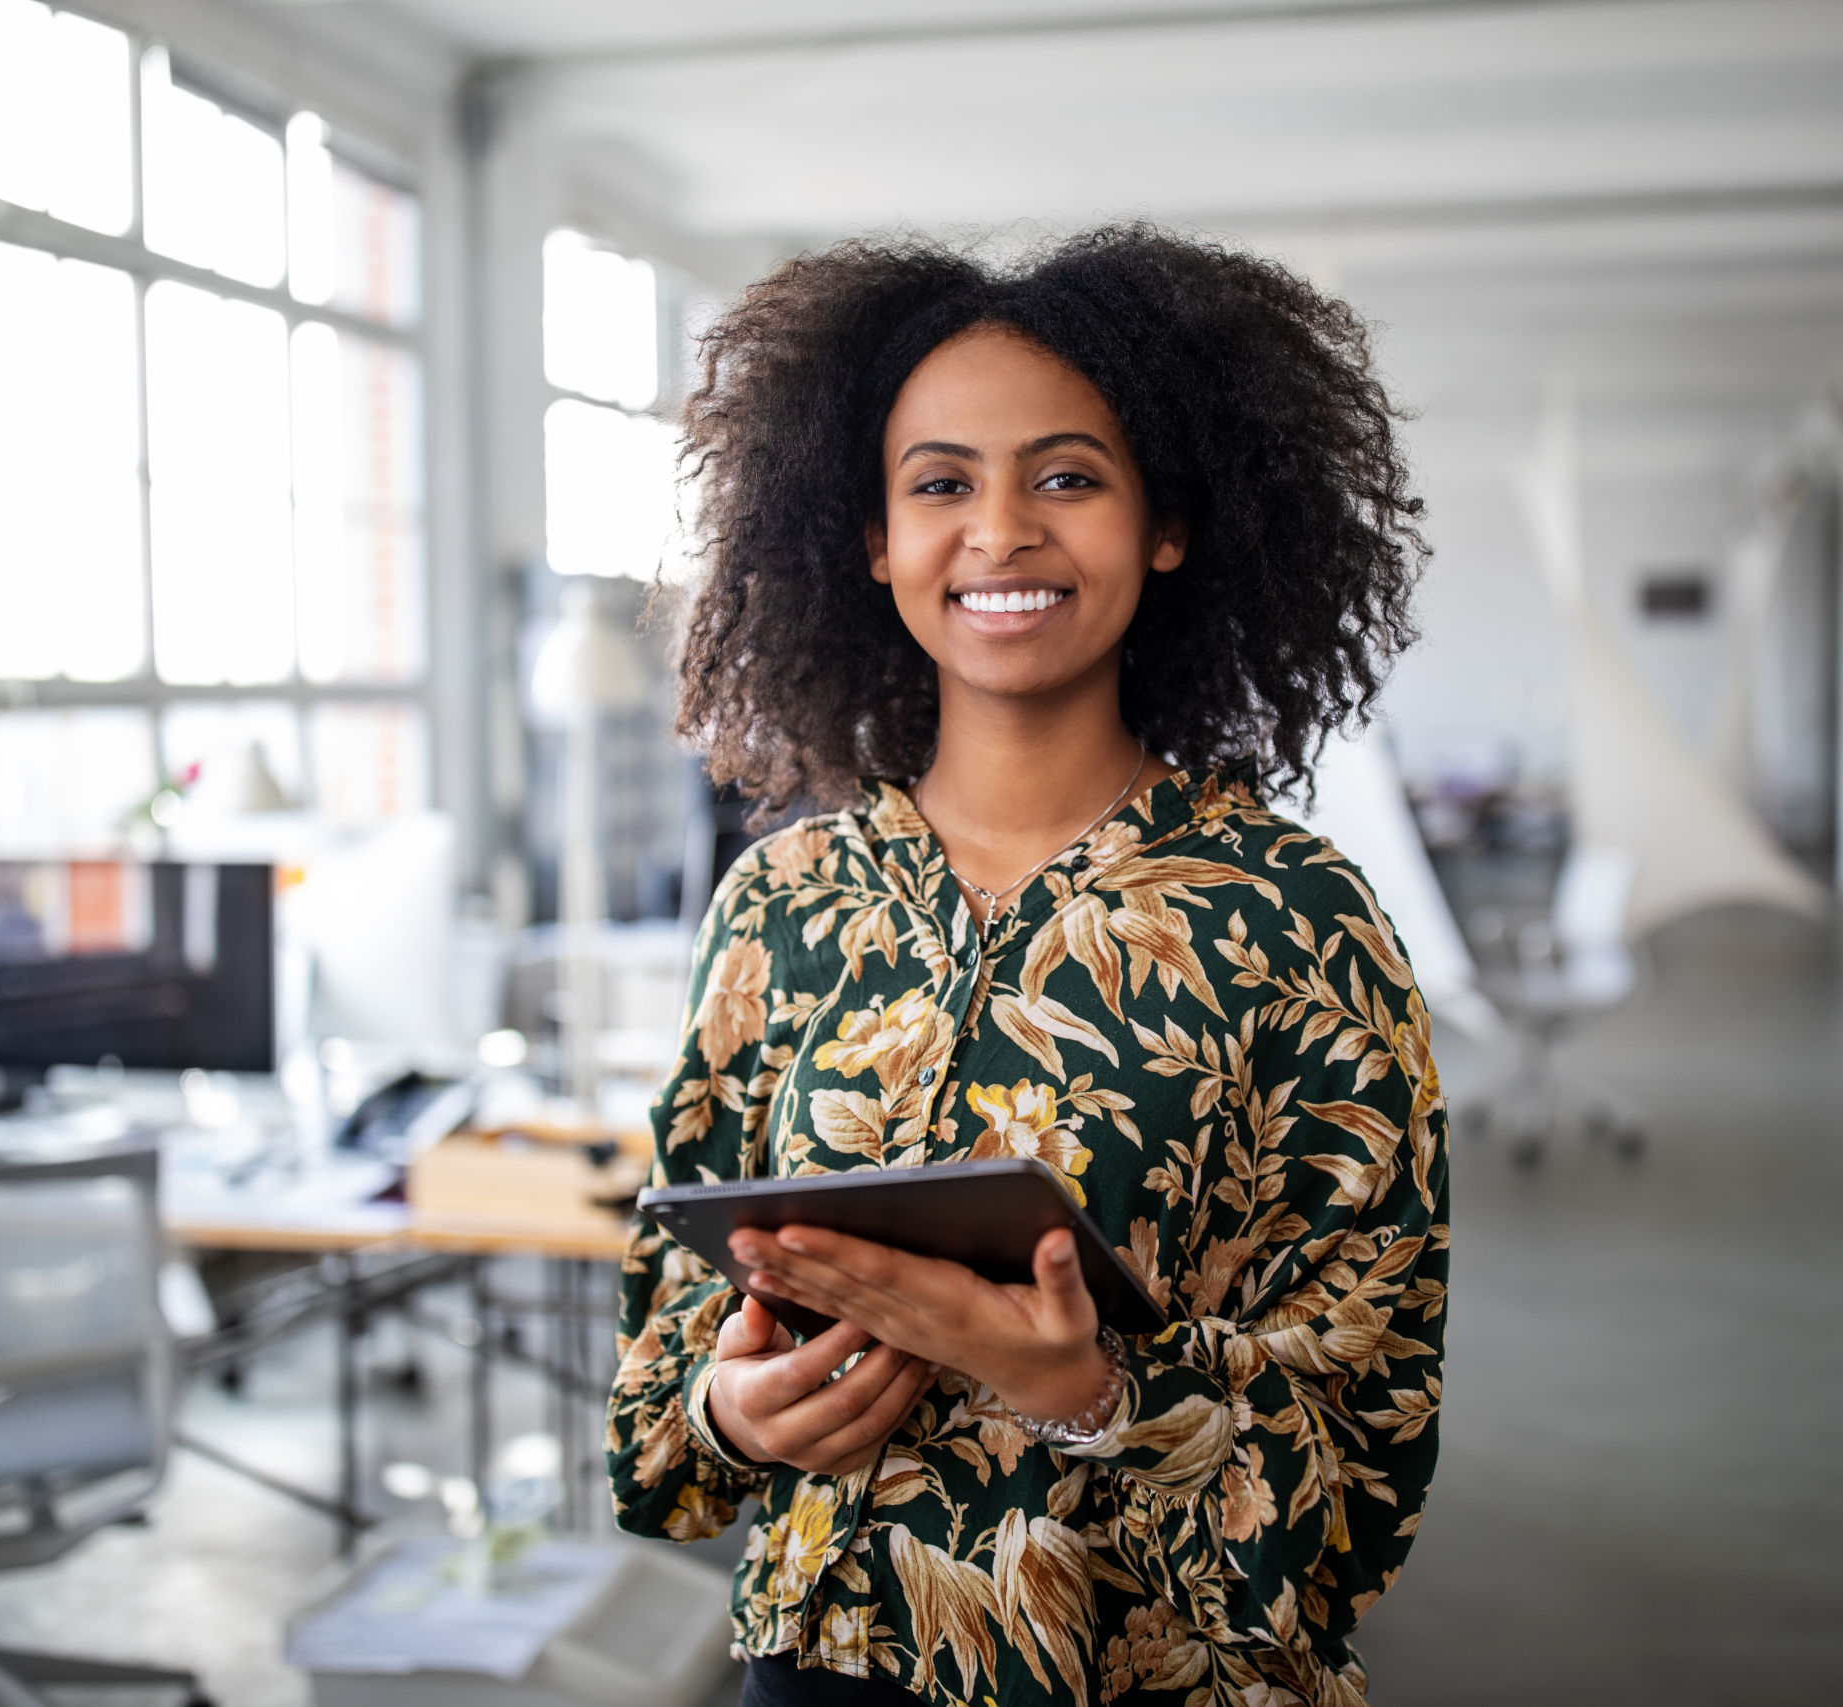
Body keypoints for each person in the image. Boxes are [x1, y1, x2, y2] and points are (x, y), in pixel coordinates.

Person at [607, 224, 1448, 1707]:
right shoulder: (781, 908)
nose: (999, 532)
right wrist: (735, 1412)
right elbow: (658, 1407)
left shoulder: (1297, 922)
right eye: (940, 484)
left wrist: (1091, 1393)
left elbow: (1364, 1474)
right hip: (823, 1675)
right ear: (871, 540)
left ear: (1167, 523)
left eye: (1067, 476)